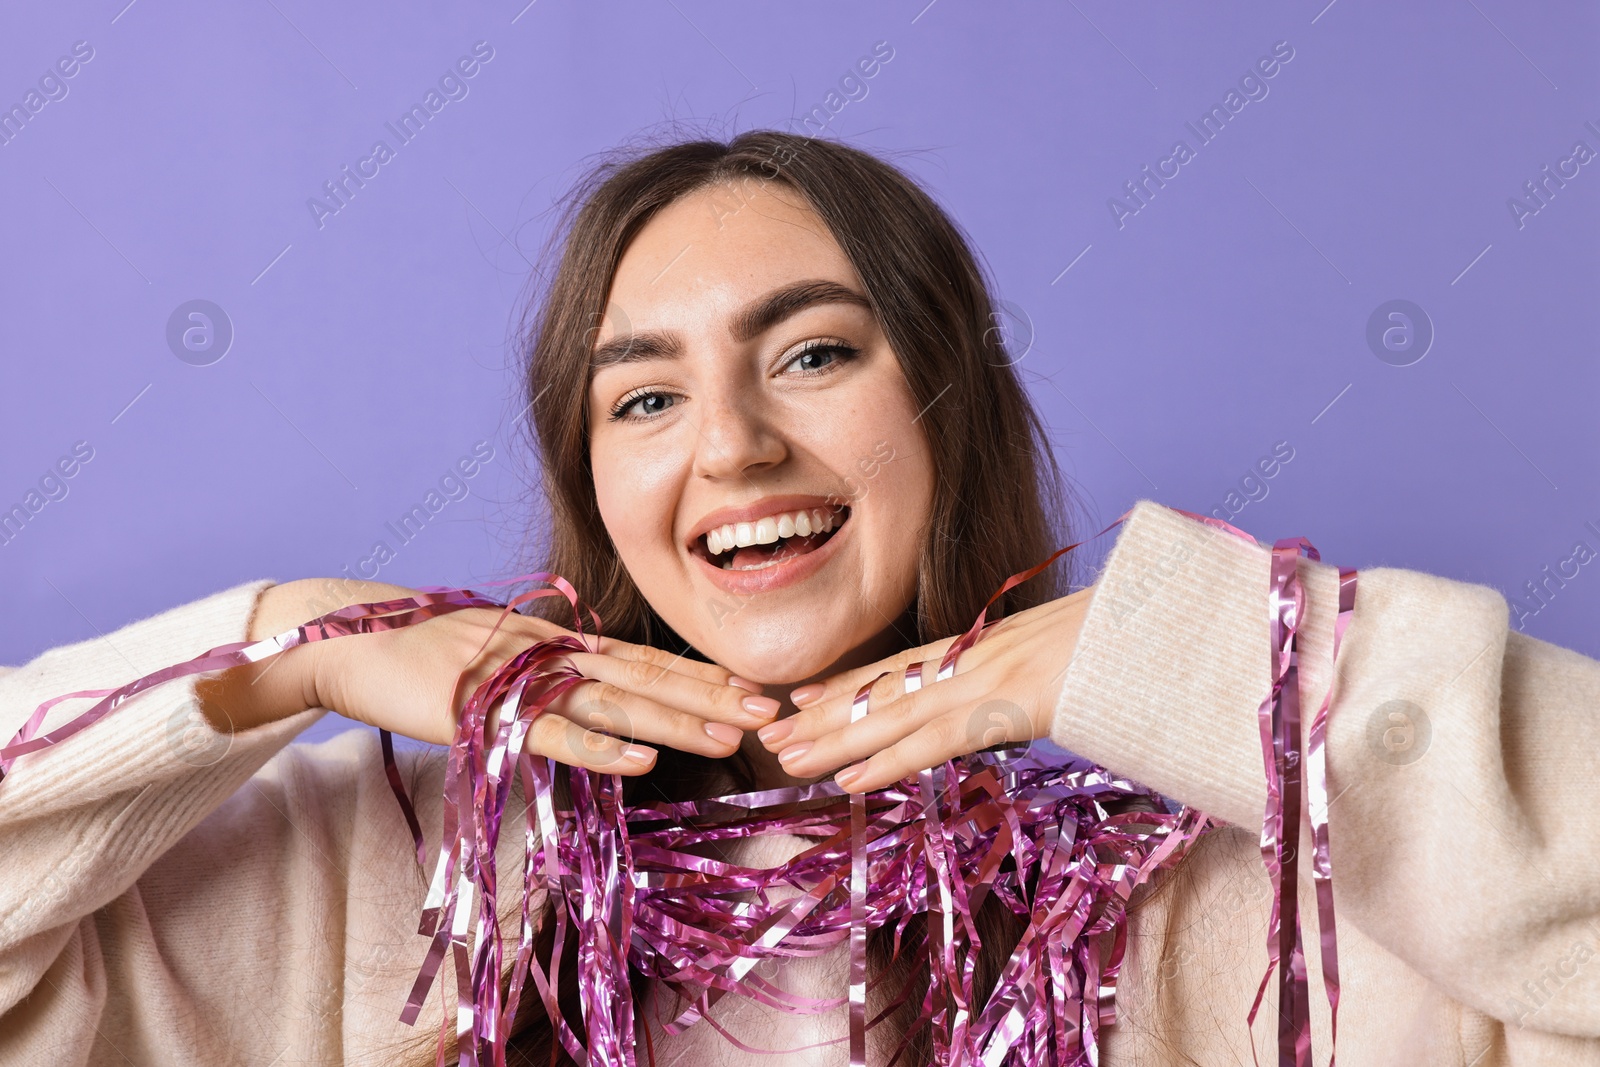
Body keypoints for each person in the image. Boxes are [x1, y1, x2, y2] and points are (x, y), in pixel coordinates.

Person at [1, 130, 1596, 1066]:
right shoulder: (392, 885)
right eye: (643, 401)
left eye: (815, 353)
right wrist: (292, 644)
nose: (736, 447)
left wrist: (1185, 658)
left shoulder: (1206, 913)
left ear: (949, 404)